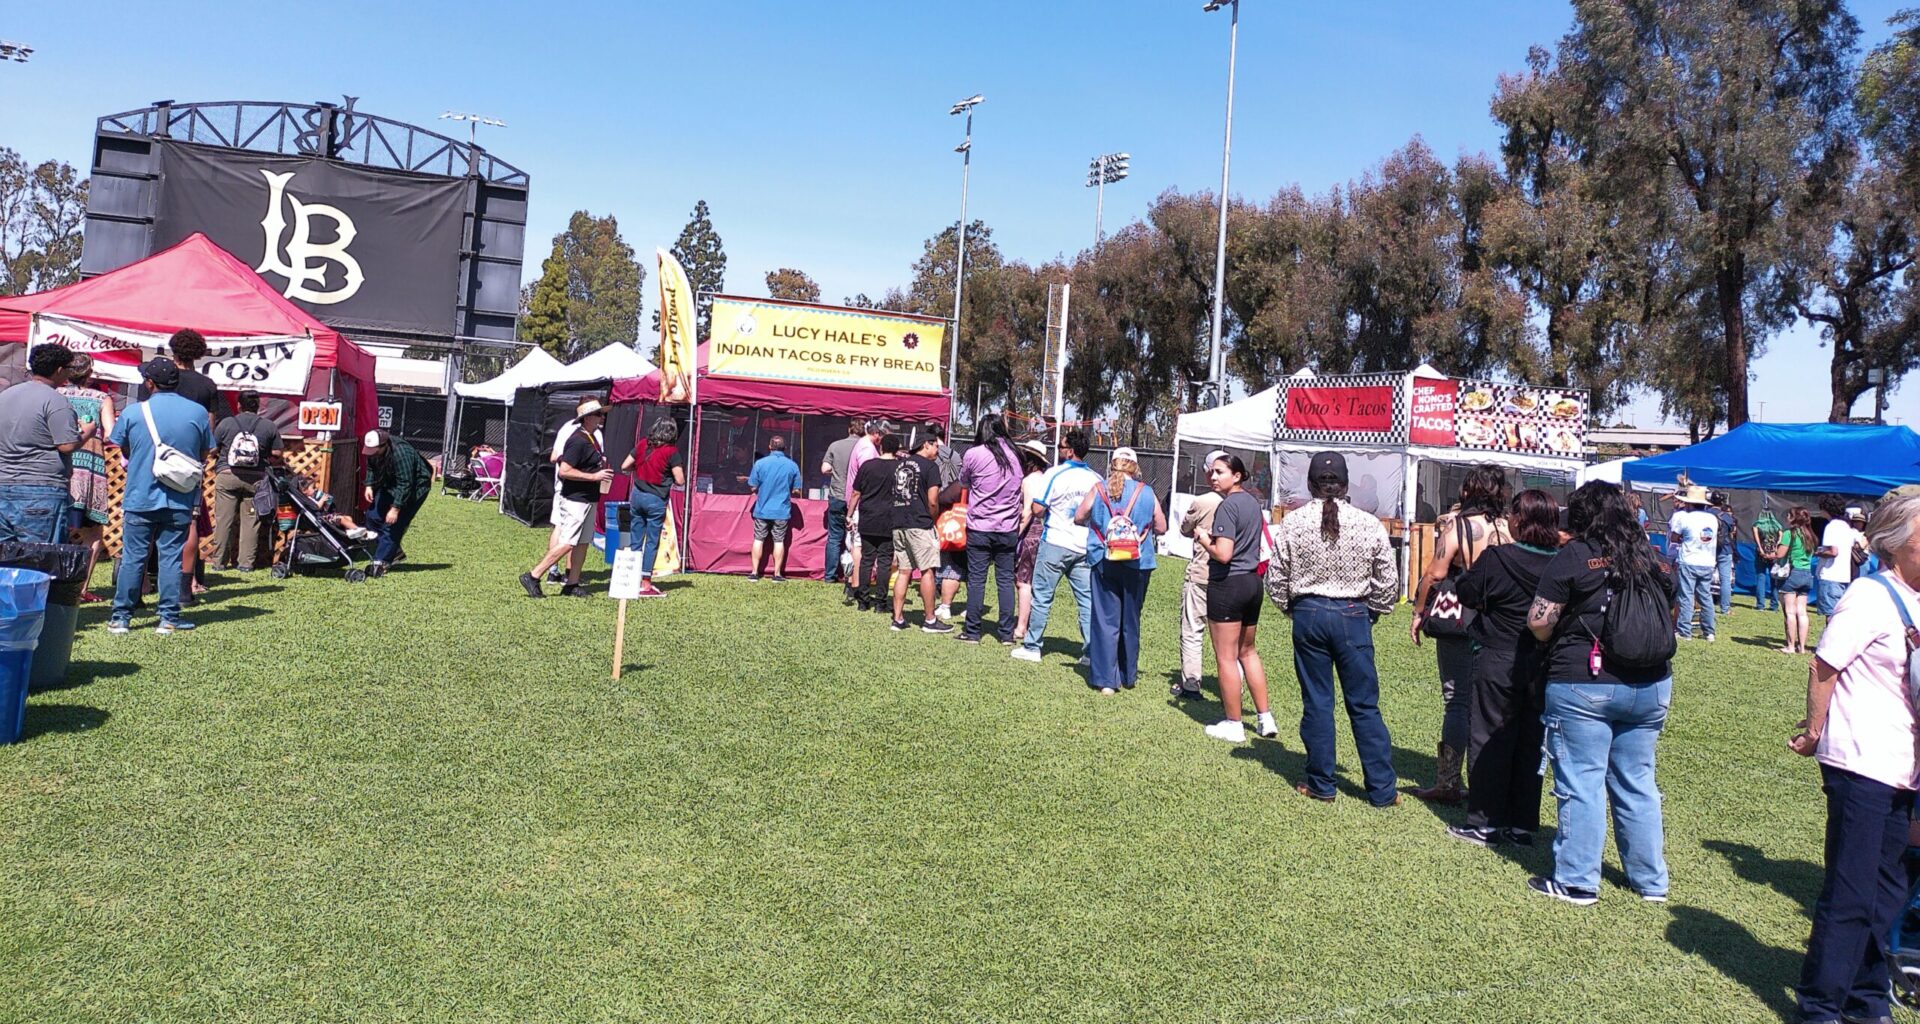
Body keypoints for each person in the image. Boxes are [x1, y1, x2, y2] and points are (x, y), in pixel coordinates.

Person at [1790, 485, 1920, 1024]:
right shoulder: (1869, 596)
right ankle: (1821, 1006)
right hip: (1861, 760)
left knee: (1888, 892)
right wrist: (1814, 730)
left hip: (1904, 767)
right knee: (1851, 891)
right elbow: (1825, 666)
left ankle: (1866, 999)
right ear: (1899, 542)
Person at [1525, 481, 1677, 905]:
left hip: (1584, 684)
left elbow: (1540, 621)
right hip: (1651, 685)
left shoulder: (1575, 556)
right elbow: (1672, 613)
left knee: (1581, 781)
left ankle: (1576, 879)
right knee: (1638, 781)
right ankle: (1651, 881)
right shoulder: (1656, 560)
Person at [1264, 452, 1400, 805]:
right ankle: (1383, 791)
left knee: (1318, 702)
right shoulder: (1369, 524)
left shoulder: (1292, 524)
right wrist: (1372, 613)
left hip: (1309, 614)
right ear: (1345, 484)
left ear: (1310, 484)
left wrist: (1292, 609)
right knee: (1365, 705)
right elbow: (1388, 581)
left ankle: (1322, 784)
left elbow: (1276, 578)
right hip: (1353, 614)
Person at [1450, 489, 1562, 847]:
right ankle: (1522, 823)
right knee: (1530, 742)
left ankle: (1485, 821)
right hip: (1541, 661)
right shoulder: (1560, 562)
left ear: (1519, 520)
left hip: (1497, 655)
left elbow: (1467, 592)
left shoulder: (1498, 558)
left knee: (1488, 736)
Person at [1408, 464, 1511, 804]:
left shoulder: (1459, 526)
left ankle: (1448, 783)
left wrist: (1419, 611)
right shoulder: (1509, 526)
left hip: (1461, 621)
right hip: (1501, 622)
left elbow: (1435, 574)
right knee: (1493, 704)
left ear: (1469, 491)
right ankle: (1489, 780)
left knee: (1457, 701)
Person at [107, 358, 213, 635]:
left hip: (140, 494)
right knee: (170, 558)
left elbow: (122, 448)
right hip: (179, 496)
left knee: (133, 557)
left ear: (150, 383)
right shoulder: (198, 412)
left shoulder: (133, 412)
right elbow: (204, 453)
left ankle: (121, 618)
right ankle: (168, 618)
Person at [1192, 455, 1279, 741]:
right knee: (1248, 651)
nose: (1213, 477)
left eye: (1220, 472)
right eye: (1212, 472)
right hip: (1253, 583)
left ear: (1237, 476)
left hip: (1228, 584)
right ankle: (1265, 718)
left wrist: (1204, 538)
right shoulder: (1254, 503)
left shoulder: (1228, 506)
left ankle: (1233, 723)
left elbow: (1224, 553)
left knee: (1226, 657)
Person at [138, 329, 226, 597]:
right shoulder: (206, 386)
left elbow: (143, 419)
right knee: (190, 521)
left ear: (172, 350)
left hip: (153, 459)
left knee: (146, 520)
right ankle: (188, 584)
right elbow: (208, 430)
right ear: (198, 353)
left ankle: (142, 582)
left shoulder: (155, 381)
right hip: (188, 461)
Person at [1073, 446, 1165, 694]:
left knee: (1105, 619)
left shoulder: (1099, 488)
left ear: (1111, 464)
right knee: (1130, 619)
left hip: (1104, 559)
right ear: (1134, 467)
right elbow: (1162, 526)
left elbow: (1079, 516)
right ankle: (1128, 674)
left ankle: (1106, 680)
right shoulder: (1146, 492)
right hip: (1138, 562)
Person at [1012, 430, 1101, 664]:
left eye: (1061, 447)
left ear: (1070, 451)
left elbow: (1038, 508)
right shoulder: (1096, 479)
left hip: (1055, 543)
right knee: (1087, 600)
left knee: (1042, 596)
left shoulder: (1054, 474)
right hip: (1083, 547)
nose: (1059, 451)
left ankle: (1032, 646)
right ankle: (1091, 652)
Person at [0, 342, 92, 544]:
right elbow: (66, 445)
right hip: (41, 489)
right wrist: (87, 432)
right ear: (60, 370)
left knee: (5, 559)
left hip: (3, 483)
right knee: (40, 560)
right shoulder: (55, 401)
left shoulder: (5, 396)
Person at [518, 401, 610, 598]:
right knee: (568, 542)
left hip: (589, 498)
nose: (602, 418)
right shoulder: (578, 441)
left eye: (602, 414)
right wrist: (594, 477)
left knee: (583, 542)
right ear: (587, 418)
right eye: (598, 414)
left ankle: (572, 583)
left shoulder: (592, 438)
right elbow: (565, 470)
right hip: (575, 500)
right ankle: (533, 575)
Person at [957, 414, 1024, 644]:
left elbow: (964, 481)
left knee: (977, 579)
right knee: (1005, 581)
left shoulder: (974, 454)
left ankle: (973, 631)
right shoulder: (1017, 454)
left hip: (980, 526)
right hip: (1008, 528)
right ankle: (1006, 633)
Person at [57, 353, 115, 599]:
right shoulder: (102, 398)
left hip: (61, 466)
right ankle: (81, 589)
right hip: (90, 470)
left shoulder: (56, 395)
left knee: (58, 527)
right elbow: (112, 433)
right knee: (93, 532)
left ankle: (55, 584)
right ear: (90, 373)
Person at [1174, 450, 1230, 701]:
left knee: (1193, 629)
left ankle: (1192, 683)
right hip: (1232, 577)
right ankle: (1233, 685)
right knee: (1230, 638)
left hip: (1202, 572)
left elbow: (1185, 528)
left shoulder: (1203, 502)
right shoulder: (1241, 502)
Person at [210, 389, 281, 573]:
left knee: (224, 520)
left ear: (239, 405)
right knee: (251, 521)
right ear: (258, 407)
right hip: (256, 479)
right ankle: (246, 564)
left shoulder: (226, 423)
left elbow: (212, 449)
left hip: (228, 475)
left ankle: (219, 563)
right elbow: (278, 453)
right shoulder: (268, 426)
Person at [889, 433, 952, 633]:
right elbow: (933, 500)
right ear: (926, 444)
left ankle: (898, 618)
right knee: (928, 570)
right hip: (920, 523)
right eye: (936, 447)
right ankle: (930, 620)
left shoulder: (901, 464)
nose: (937, 452)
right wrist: (932, 518)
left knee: (904, 570)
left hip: (899, 523)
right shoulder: (930, 467)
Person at [621, 417, 685, 598]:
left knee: (635, 538)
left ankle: (630, 578)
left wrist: (640, 469)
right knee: (651, 541)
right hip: (656, 499)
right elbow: (680, 480)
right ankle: (646, 583)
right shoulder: (672, 452)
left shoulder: (643, 444)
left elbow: (625, 465)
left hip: (637, 494)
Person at [361, 428, 432, 577]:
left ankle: (381, 562)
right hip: (389, 483)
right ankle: (395, 551)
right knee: (371, 517)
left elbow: (406, 484)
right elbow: (371, 466)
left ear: (383, 445)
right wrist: (369, 485)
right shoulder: (375, 451)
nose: (370, 453)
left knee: (392, 525)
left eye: (373, 450)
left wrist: (395, 508)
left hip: (414, 488)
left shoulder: (401, 453)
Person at [847, 433, 900, 612]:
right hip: (890, 519)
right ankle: (881, 602)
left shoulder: (868, 466)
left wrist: (849, 514)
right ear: (897, 449)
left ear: (881, 447)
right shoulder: (900, 468)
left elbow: (856, 493)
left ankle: (863, 600)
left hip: (868, 517)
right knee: (885, 561)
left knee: (866, 559)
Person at [1009, 440, 1052, 645]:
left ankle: (1021, 626)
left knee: (1022, 581)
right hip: (1043, 535)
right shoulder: (1045, 479)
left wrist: (1016, 534)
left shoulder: (1029, 481)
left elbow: (1027, 511)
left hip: (1030, 534)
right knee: (1033, 582)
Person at [746, 435, 802, 581]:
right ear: (785, 448)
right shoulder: (792, 465)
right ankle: (777, 574)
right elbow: (797, 490)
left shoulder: (760, 464)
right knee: (779, 541)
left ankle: (754, 572)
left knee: (758, 539)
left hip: (762, 509)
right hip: (781, 510)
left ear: (769, 447)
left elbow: (752, 487)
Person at [1668, 485, 1721, 642]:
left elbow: (1674, 538)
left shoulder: (1685, 518)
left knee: (1686, 596)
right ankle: (1709, 631)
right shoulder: (1712, 519)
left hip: (1689, 560)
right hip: (1708, 562)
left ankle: (1685, 631)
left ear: (1689, 503)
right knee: (1705, 597)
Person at [929, 423, 967, 620]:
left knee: (943, 554)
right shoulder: (956, 455)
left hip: (941, 505)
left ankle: (942, 597)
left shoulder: (931, 456)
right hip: (960, 509)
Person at [820, 419, 861, 585]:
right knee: (856, 538)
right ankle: (853, 576)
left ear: (849, 429)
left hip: (837, 495)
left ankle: (830, 575)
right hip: (857, 498)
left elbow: (824, 468)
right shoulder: (865, 448)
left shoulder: (835, 445)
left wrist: (836, 472)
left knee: (835, 538)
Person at [1775, 506, 1820, 654]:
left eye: (1789, 515)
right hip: (1807, 575)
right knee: (1802, 612)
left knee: (1790, 612)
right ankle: (1802, 647)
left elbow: (1780, 554)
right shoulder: (1811, 536)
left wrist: (1776, 546)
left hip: (1793, 573)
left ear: (1794, 518)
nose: (1787, 518)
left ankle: (1790, 646)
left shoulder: (1790, 534)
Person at [1815, 494, 1866, 617]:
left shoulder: (1831, 526)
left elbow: (1833, 552)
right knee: (1839, 615)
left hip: (1829, 575)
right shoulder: (1846, 527)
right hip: (1844, 576)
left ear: (1825, 509)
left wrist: (1817, 552)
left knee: (1830, 616)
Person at [1753, 505, 1784, 614]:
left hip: (1761, 554)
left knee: (1761, 578)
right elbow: (1780, 539)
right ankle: (1774, 606)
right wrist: (1775, 550)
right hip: (1774, 554)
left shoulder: (1757, 525)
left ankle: (1760, 605)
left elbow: (1757, 539)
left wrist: (1761, 550)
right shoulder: (1777, 526)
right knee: (1774, 580)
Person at [1712, 493, 1739, 616]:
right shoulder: (1727, 517)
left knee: (1704, 579)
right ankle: (1725, 608)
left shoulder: (1706, 514)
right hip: (1725, 549)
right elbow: (1732, 532)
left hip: (1709, 550)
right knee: (1725, 580)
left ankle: (1701, 604)